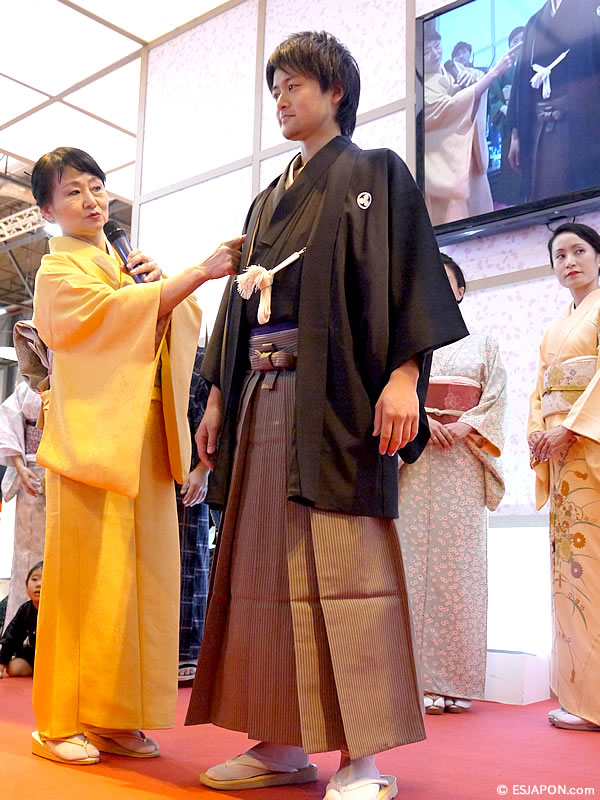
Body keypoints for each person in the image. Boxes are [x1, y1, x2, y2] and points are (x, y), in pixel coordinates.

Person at [185, 31, 468, 800]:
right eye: (275, 87)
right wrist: (217, 399)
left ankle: (363, 757)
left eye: (295, 85)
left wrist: (404, 376)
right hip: (259, 398)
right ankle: (277, 742)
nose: (281, 98)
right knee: (259, 572)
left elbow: (407, 276)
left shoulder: (375, 173)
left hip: (337, 400)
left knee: (348, 571)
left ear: (335, 90)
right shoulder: (265, 200)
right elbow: (237, 308)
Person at [27, 146, 243, 766]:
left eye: (96, 187)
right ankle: (58, 721)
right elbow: (104, 320)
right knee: (81, 583)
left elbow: (168, 324)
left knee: (138, 582)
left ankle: (113, 716)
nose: (91, 200)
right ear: (47, 210)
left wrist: (164, 288)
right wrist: (194, 275)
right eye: (73, 191)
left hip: (143, 439)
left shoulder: (124, 267)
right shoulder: (57, 272)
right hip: (91, 444)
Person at [397, 254, 507, 715]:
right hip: (417, 460)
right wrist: (423, 421)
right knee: (408, 567)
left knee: (459, 571)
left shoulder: (483, 344)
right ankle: (412, 680)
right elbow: (394, 400)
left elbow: (496, 399)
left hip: (462, 461)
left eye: (446, 283)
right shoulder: (406, 350)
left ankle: (455, 680)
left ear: (460, 291)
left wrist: (467, 425)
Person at [528, 222, 600, 732]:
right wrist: (539, 434)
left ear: (598, 258)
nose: (569, 261)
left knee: (593, 566)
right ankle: (579, 695)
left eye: (579, 251)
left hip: (590, 448)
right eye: (560, 256)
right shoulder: (555, 330)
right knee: (569, 573)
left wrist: (570, 429)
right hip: (561, 457)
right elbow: (540, 391)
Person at [422, 26, 518, 226]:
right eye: (427, 51)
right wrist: (492, 75)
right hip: (446, 171)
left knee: (485, 219)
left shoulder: (455, 69)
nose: (435, 54)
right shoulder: (422, 89)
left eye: (437, 46)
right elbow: (451, 108)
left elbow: (477, 86)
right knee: (455, 222)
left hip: (472, 160)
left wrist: (474, 80)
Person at [507, 0, 600, 202]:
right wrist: (516, 135)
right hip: (539, 130)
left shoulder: (592, 7)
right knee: (543, 199)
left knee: (583, 199)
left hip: (582, 126)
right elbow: (521, 80)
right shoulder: (534, 22)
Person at [176, 344, 211, 682]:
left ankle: (187, 652)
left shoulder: (200, 359)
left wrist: (202, 470)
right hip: (140, 470)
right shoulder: (138, 346)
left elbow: (217, 419)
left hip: (189, 470)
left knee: (190, 559)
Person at [0, 380, 45, 631]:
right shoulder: (25, 389)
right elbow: (8, 425)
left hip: (63, 474)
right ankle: (19, 632)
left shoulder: (71, 382)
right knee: (25, 554)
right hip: (29, 470)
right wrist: (20, 466)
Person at [488, 27, 525, 206]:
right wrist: (503, 108)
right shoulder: (502, 71)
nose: (519, 43)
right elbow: (493, 99)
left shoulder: (535, 63)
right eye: (514, 41)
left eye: (522, 39)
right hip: (509, 126)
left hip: (533, 124)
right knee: (512, 168)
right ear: (509, 46)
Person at [0, 561, 42, 677]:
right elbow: (12, 636)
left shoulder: (59, 610)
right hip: (34, 653)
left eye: (45, 580)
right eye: (34, 579)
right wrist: (1, 664)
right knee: (14, 668)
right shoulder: (25, 610)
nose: (39, 584)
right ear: (26, 585)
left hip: (57, 656)